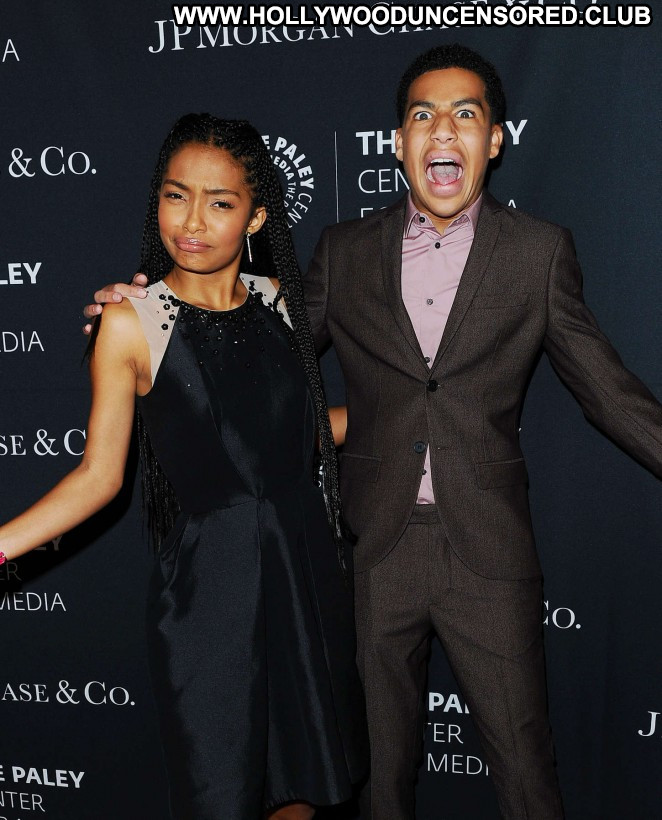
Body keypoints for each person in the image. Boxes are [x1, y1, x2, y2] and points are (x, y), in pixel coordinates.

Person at [85, 46, 662, 819]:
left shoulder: (538, 253)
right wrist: (147, 312)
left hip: (489, 556)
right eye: (423, 115)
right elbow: (251, 358)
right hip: (369, 555)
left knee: (528, 777)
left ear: (495, 139)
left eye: (465, 114)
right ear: (398, 141)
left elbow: (609, 393)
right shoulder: (344, 252)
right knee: (376, 784)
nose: (442, 129)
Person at [1, 113, 367, 820]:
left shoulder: (282, 302)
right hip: (211, 595)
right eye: (176, 196)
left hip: (305, 576)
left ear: (256, 217)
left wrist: (414, 417)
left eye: (219, 203)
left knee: (302, 790)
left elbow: (301, 435)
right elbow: (99, 477)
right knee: (219, 791)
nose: (192, 222)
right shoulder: (131, 320)